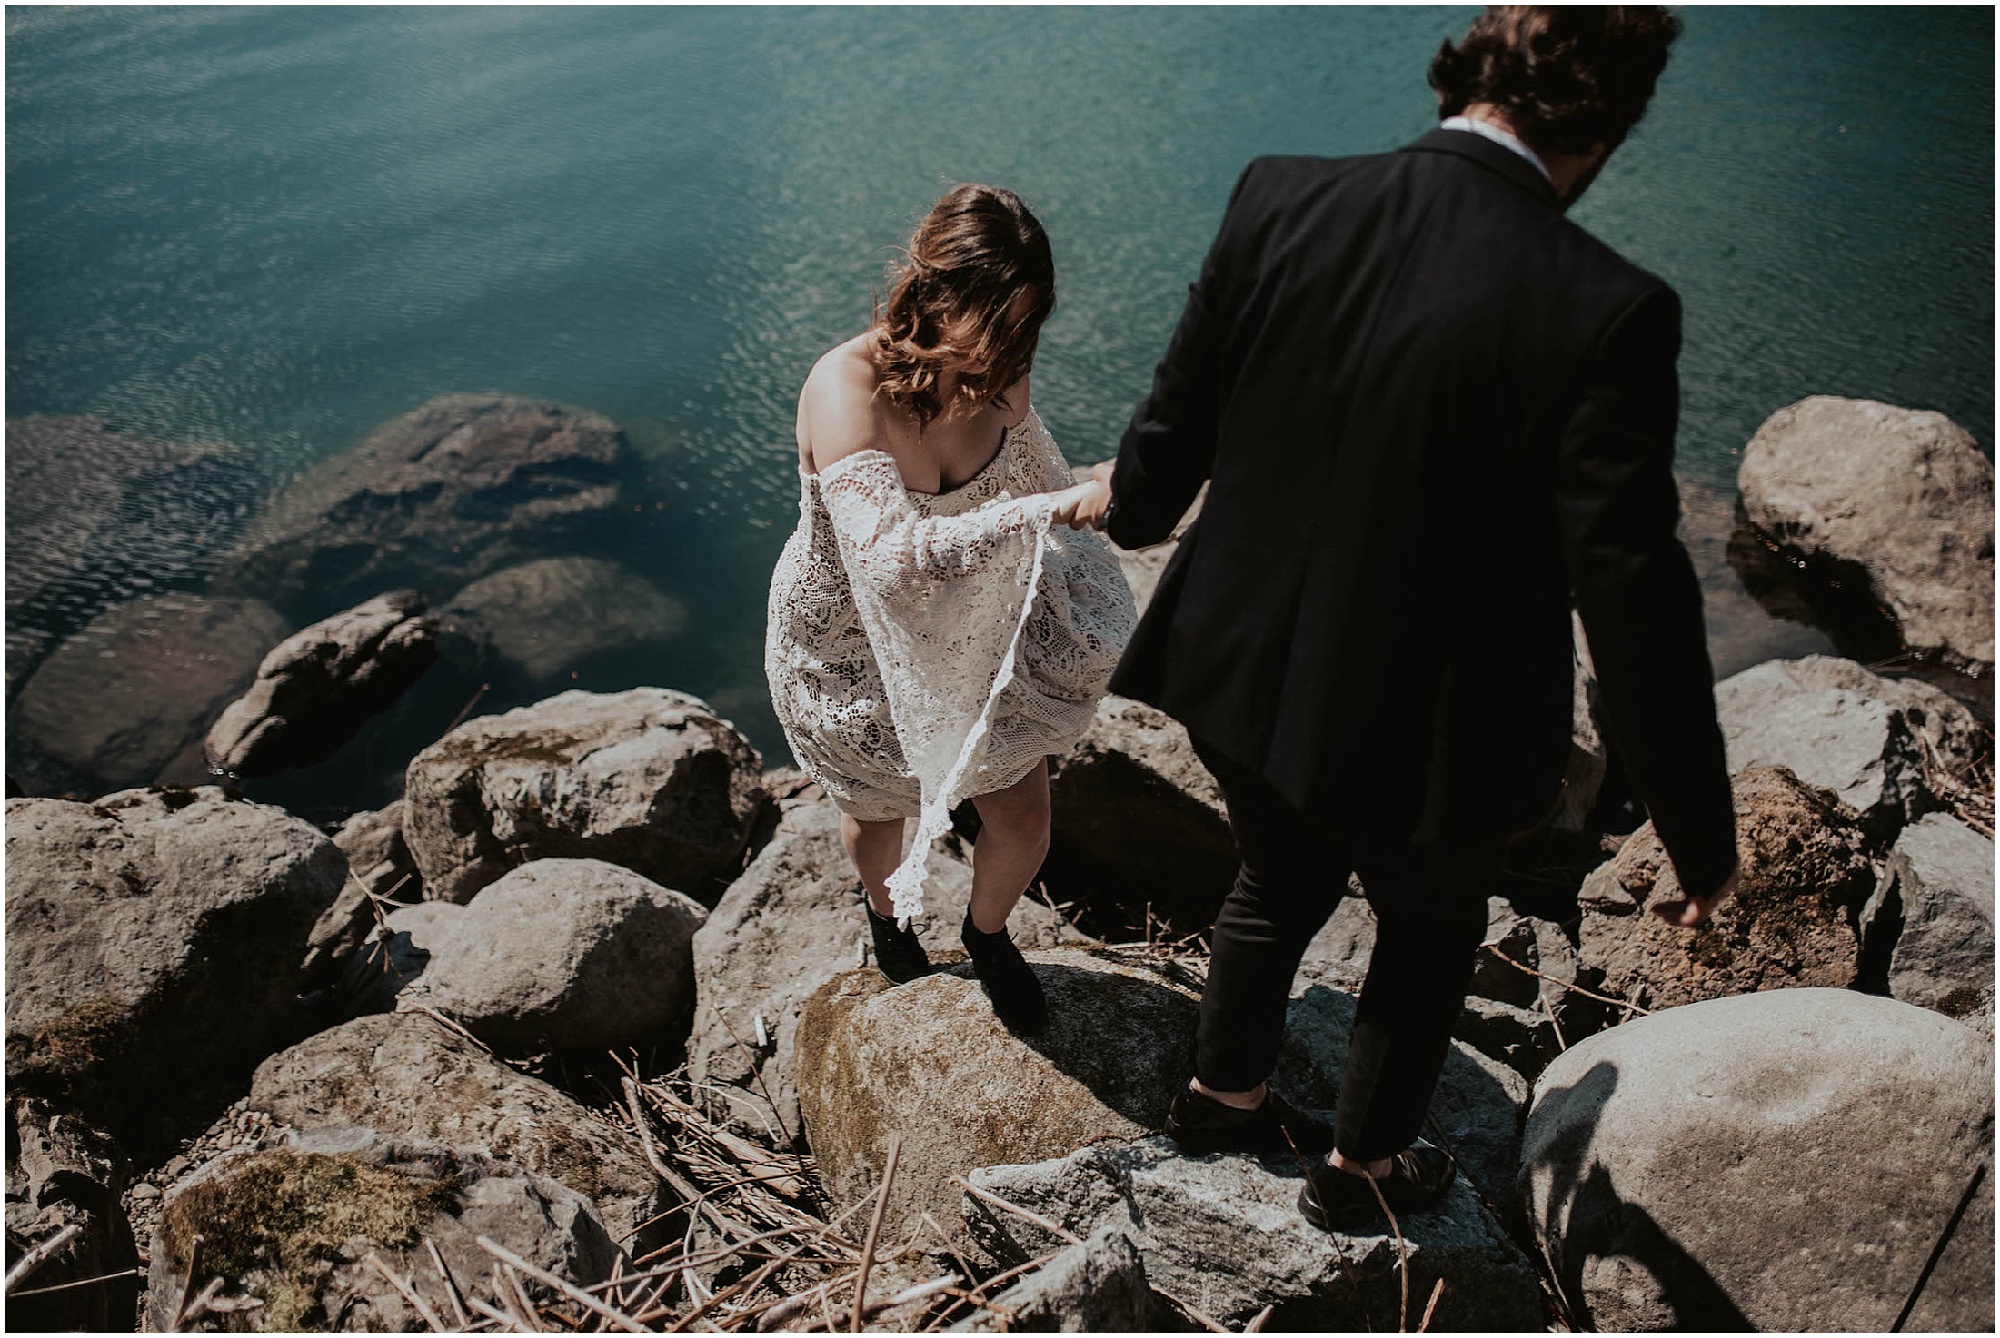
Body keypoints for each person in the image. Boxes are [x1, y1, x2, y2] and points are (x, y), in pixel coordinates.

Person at [1077, 6, 1740, 1229]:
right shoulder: (1605, 306)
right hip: (1433, 723)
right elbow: (1632, 593)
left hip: (1236, 668)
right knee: (1431, 926)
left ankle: (1222, 1102)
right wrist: (1697, 831)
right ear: (1609, 124)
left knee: (1276, 871)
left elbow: (1168, 441)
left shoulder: (1278, 194)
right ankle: (1362, 1175)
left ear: (1465, 66)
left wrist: (1126, 515)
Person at [765, 184, 1136, 1032]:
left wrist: (1104, 499)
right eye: (998, 323)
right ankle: (886, 920)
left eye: (1027, 324)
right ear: (935, 293)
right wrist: (1051, 509)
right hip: (852, 646)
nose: (1013, 349)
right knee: (877, 810)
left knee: (1026, 816)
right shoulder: (843, 388)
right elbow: (890, 562)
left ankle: (987, 934)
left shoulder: (1002, 365)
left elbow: (1039, 478)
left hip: (975, 628)